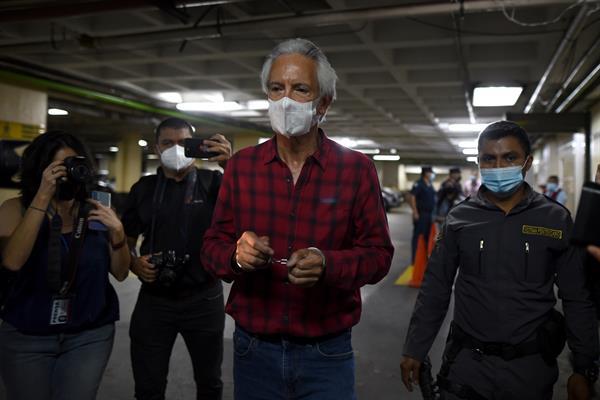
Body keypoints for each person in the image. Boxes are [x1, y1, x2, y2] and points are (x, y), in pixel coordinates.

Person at [201, 38, 394, 400]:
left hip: (327, 353)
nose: (285, 99)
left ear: (324, 103)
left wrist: (328, 264)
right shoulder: (241, 167)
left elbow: (378, 256)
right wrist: (236, 257)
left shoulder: (356, 170)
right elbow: (212, 247)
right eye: (277, 88)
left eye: (300, 89)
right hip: (253, 350)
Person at [400, 121, 599, 400]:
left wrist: (584, 366)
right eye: (489, 159)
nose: (498, 167)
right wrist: (415, 348)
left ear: (527, 163)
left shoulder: (555, 220)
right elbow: (435, 288)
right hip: (467, 366)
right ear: (479, 162)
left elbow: (577, 296)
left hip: (529, 369)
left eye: (509, 157)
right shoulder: (459, 219)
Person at [0, 131, 129, 400]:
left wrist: (118, 236)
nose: (68, 175)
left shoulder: (97, 208)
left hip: (89, 334)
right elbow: (12, 261)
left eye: (74, 166)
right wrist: (42, 197)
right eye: (59, 169)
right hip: (27, 334)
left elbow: (120, 272)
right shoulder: (15, 209)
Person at [122, 117, 231, 400]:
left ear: (196, 146)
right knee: (148, 386)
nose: (175, 149)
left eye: (184, 143)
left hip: (204, 298)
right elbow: (127, 240)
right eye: (168, 143)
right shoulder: (143, 189)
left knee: (210, 382)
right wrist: (134, 262)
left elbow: (249, 207)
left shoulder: (214, 182)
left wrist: (229, 165)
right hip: (155, 299)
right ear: (157, 148)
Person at [409, 166, 436, 262]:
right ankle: (415, 258)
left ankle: (423, 258)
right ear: (425, 173)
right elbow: (412, 197)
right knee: (418, 236)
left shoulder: (430, 184)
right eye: (430, 172)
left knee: (426, 237)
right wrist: (415, 211)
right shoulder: (419, 184)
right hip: (421, 214)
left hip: (429, 215)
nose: (432, 174)